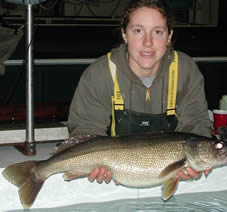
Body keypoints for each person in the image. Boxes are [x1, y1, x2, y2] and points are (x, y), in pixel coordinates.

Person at [67, 0, 212, 184]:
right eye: (138, 31)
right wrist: (100, 165)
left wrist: (196, 162)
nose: (148, 42)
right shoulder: (100, 73)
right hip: (114, 171)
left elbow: (196, 125)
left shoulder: (185, 70)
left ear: (169, 36)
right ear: (124, 34)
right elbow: (85, 130)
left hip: (169, 170)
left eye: (158, 32)